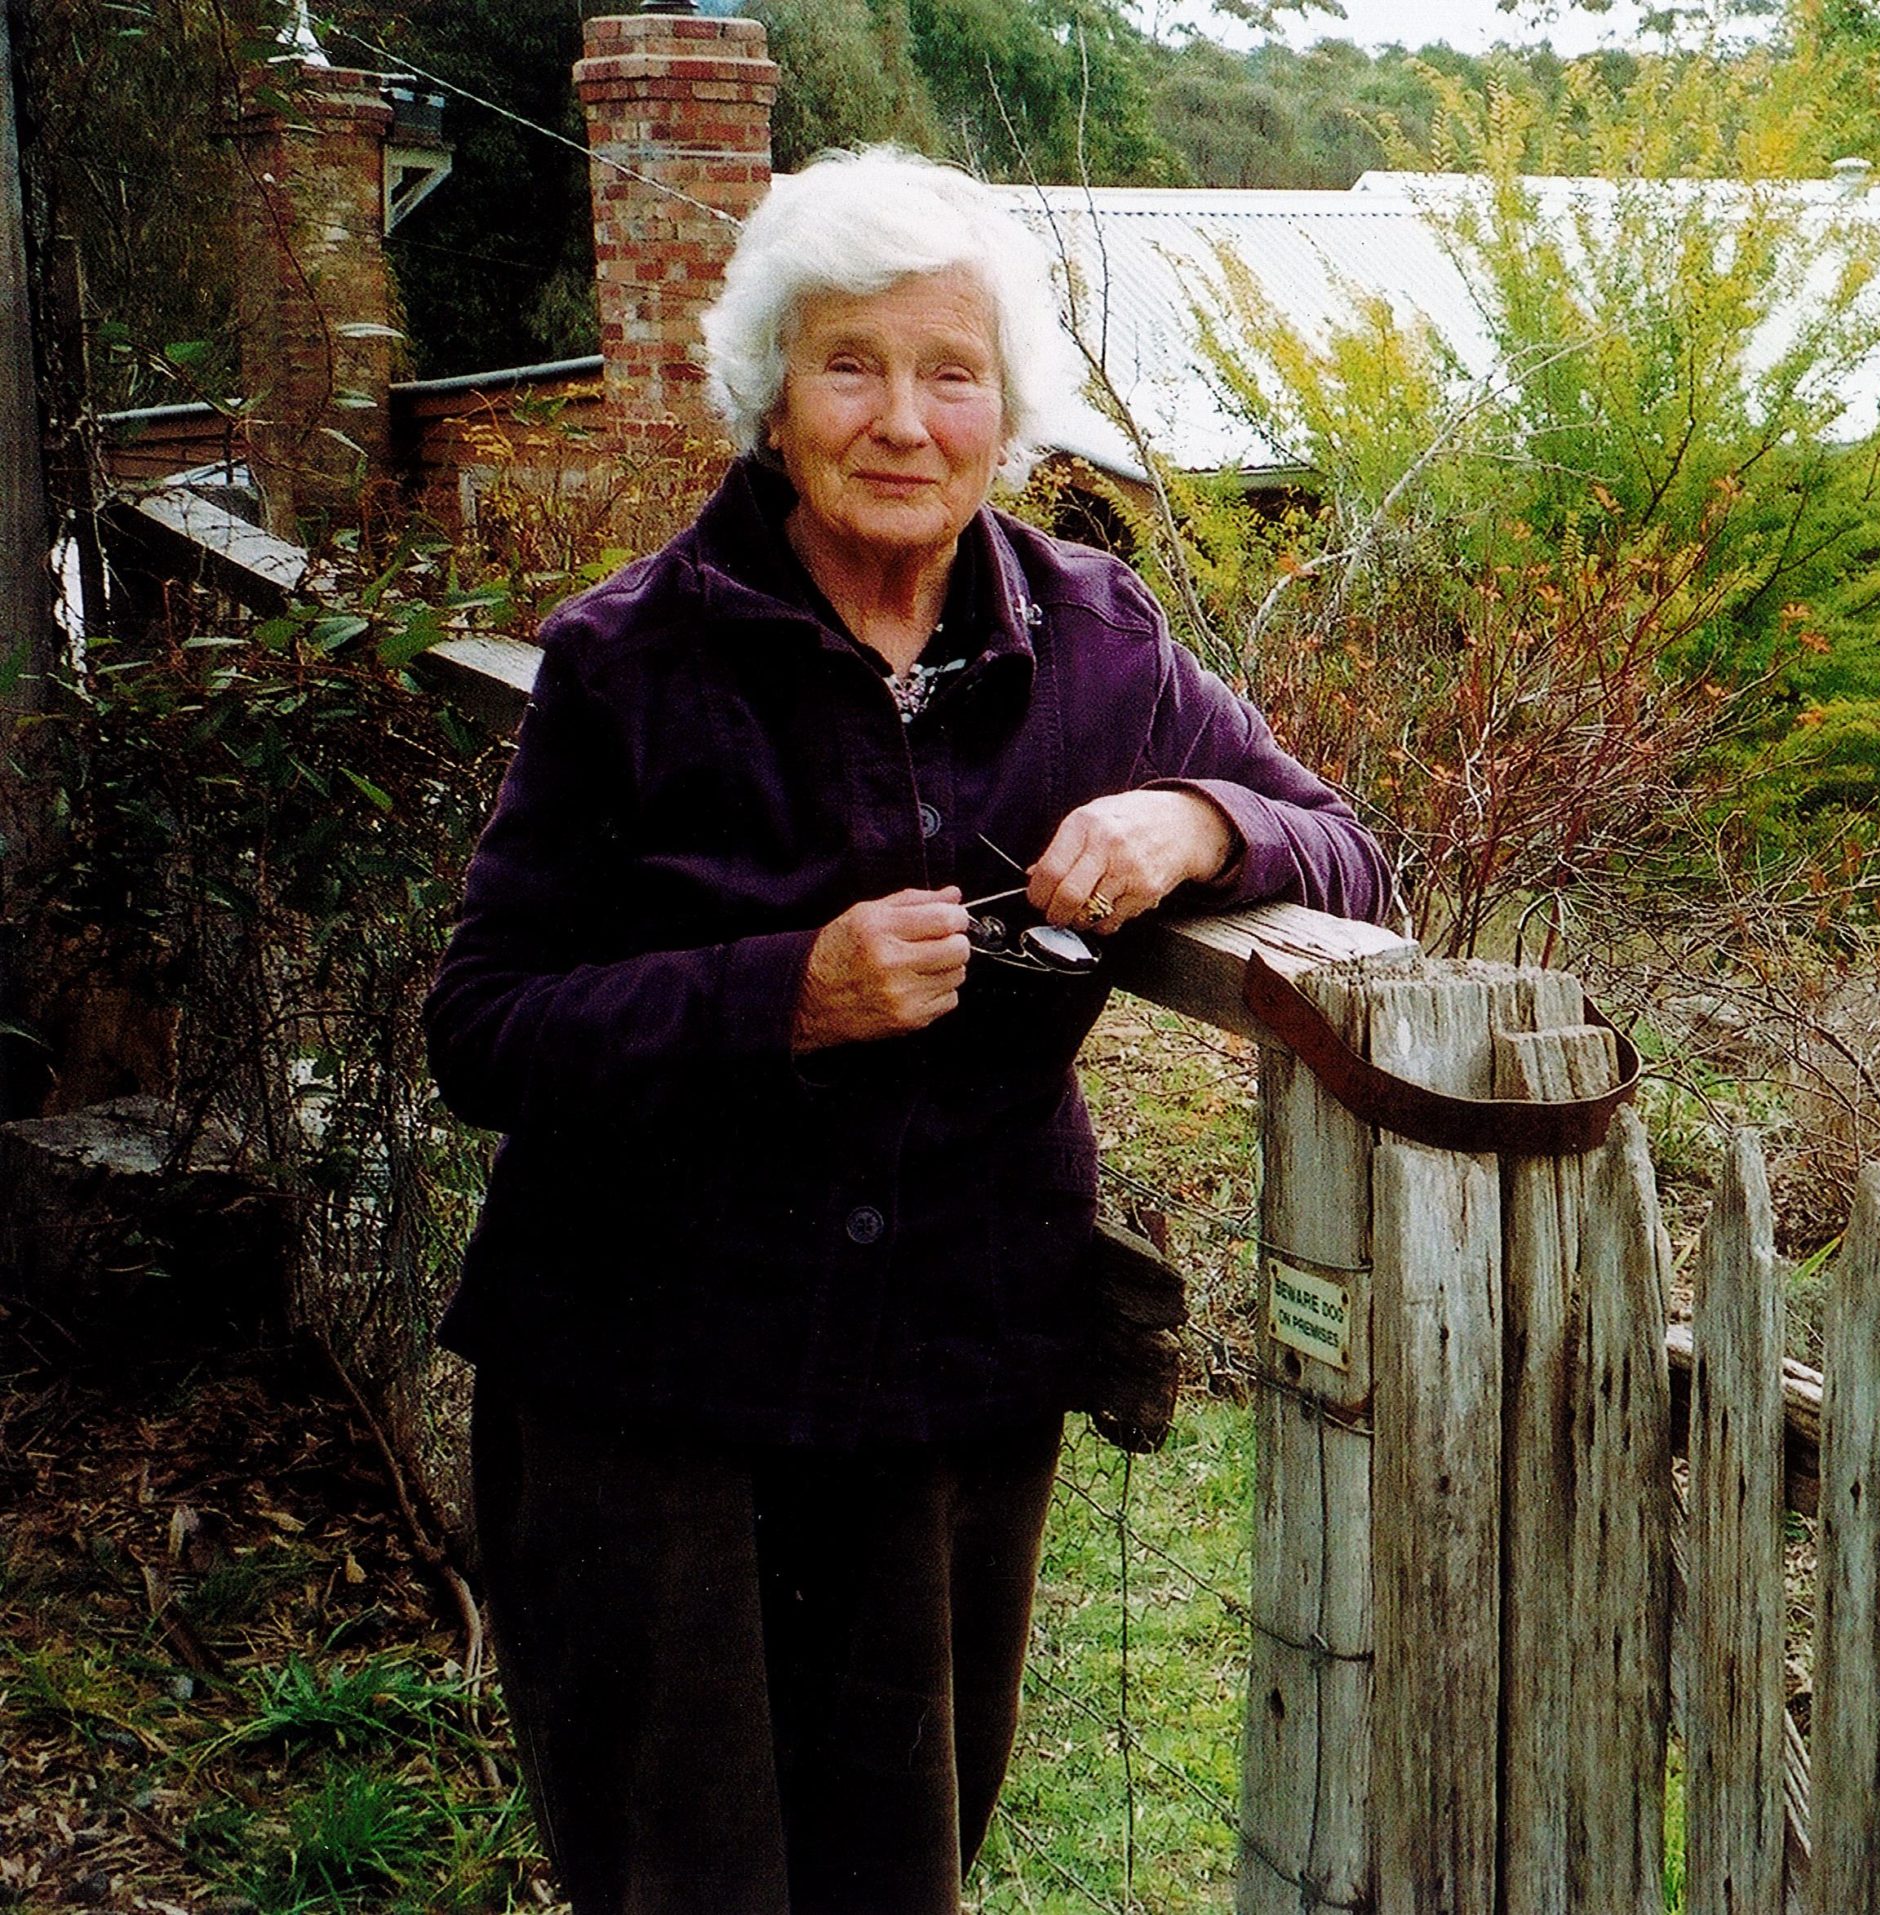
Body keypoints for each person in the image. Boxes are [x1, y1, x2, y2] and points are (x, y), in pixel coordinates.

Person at [424, 145, 1388, 1914]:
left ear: (1005, 411)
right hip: (648, 1389)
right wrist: (782, 995)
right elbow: (481, 1031)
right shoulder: (628, 662)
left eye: (952, 375)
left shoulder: (1095, 641)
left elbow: (1345, 848)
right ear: (770, 397)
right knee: (683, 1876)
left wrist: (1197, 821)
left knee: (900, 1871)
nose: (902, 420)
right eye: (849, 365)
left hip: (949, 1371)